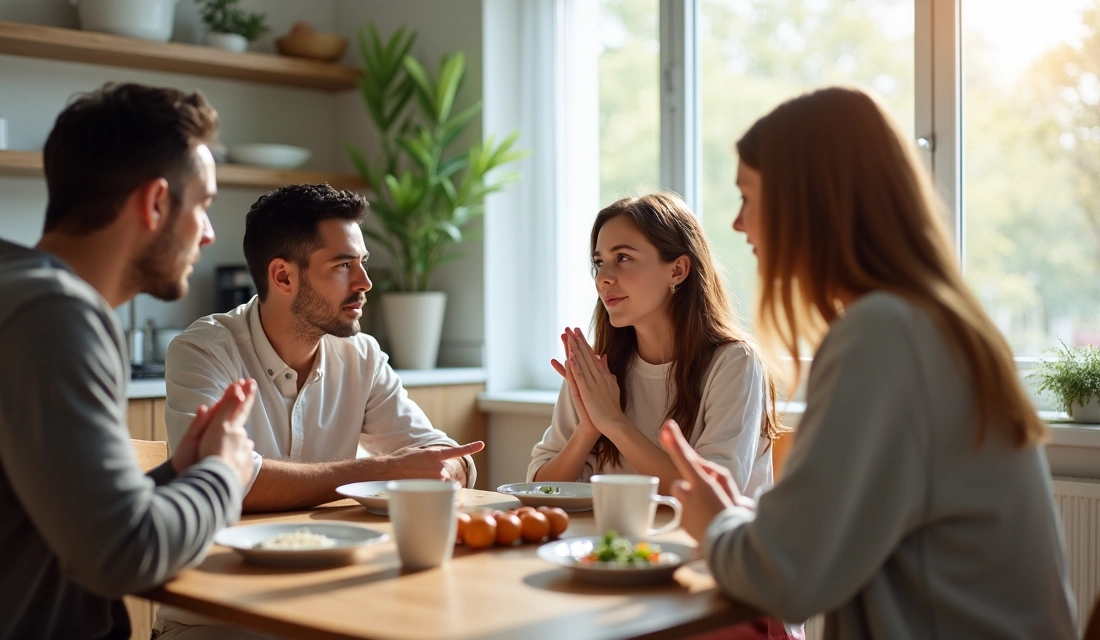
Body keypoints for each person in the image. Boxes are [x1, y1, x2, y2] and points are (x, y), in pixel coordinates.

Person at [658, 86, 1078, 639]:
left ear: (805, 203)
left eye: (748, 198)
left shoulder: (883, 334)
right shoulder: (935, 322)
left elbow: (787, 577)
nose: (739, 225)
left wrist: (717, 526)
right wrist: (750, 522)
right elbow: (827, 538)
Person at [0, 82, 257, 639]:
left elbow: (67, 521)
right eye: (202, 204)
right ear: (154, 203)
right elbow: (123, 554)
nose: (208, 234)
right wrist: (223, 473)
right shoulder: (51, 315)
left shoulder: (8, 289)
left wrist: (181, 472)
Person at [154, 183, 482, 637]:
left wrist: (447, 468)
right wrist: (386, 469)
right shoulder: (203, 351)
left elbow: (435, 448)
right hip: (218, 616)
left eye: (362, 263)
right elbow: (227, 480)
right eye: (344, 265)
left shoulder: (361, 355)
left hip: (329, 602)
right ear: (283, 277)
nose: (365, 282)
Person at [529, 192, 784, 499]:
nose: (604, 278)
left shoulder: (735, 362)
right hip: (614, 543)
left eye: (623, 258)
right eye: (599, 262)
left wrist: (614, 422)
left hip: (707, 547)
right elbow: (538, 487)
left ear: (677, 270)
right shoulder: (597, 368)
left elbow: (712, 495)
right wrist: (587, 430)